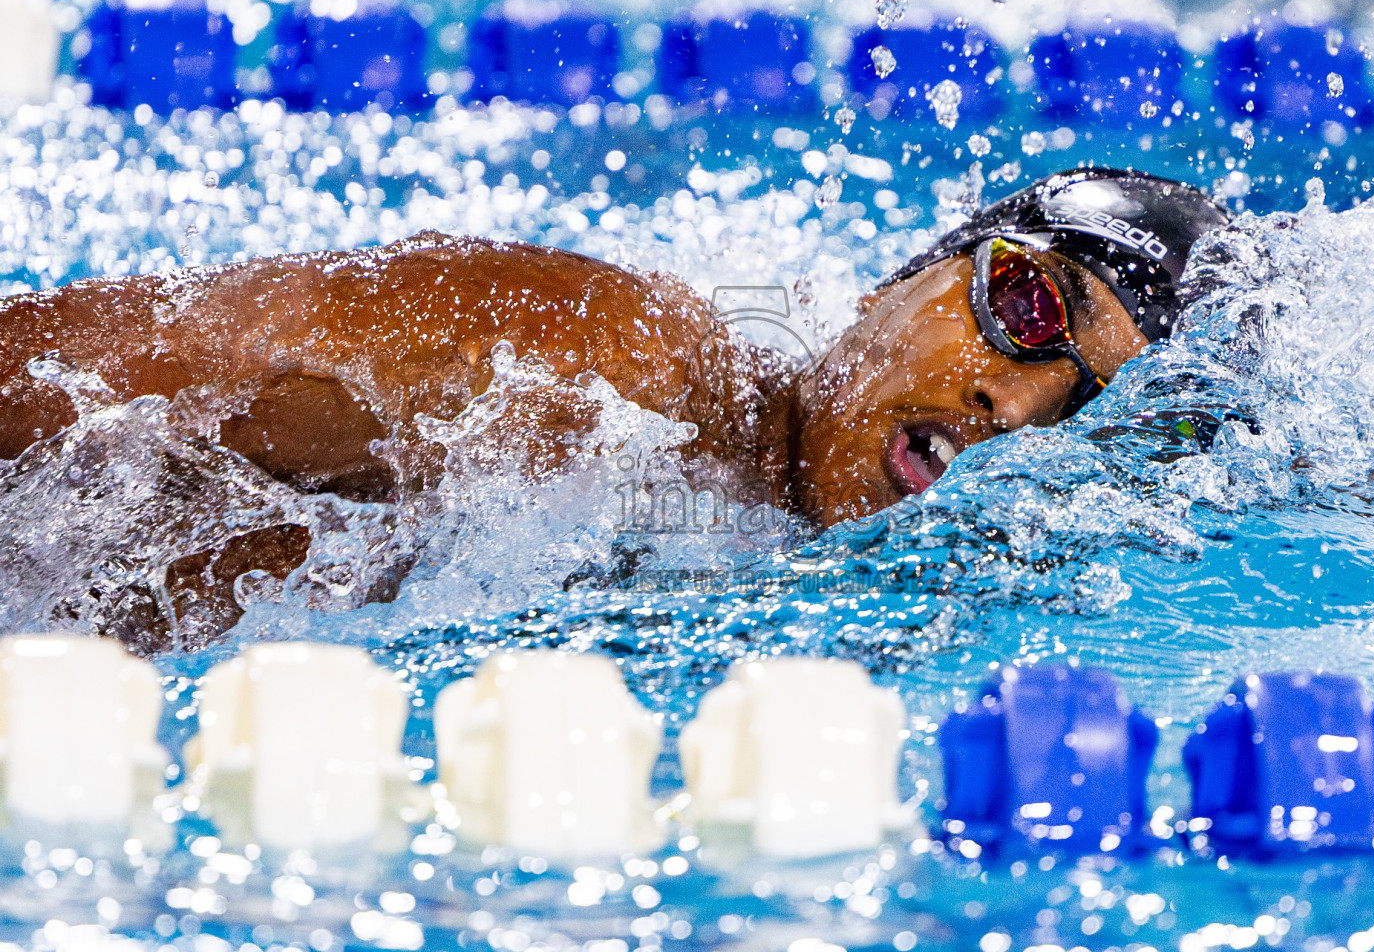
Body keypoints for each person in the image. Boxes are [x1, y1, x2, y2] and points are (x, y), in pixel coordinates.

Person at [0, 167, 1229, 648]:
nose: (1010, 399)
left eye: (1081, 406)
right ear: (903, 277)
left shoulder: (820, 584)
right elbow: (78, 367)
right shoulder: (601, 362)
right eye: (1024, 305)